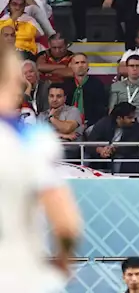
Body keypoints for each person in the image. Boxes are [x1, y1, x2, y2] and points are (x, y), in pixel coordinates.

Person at [0, 45, 82, 288]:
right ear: (15, 83)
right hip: (19, 275)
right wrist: (63, 262)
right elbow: (66, 222)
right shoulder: (34, 141)